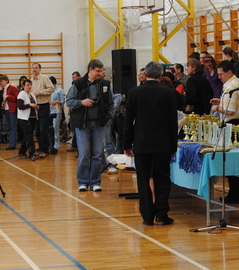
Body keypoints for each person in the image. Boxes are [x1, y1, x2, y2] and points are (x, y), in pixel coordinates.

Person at [122, 62, 180, 225]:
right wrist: (173, 145)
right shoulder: (169, 93)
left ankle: (147, 216)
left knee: (143, 179)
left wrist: (126, 144)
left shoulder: (134, 93)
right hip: (162, 143)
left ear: (145, 75)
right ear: (160, 75)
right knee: (163, 179)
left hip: (141, 143)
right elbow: (172, 122)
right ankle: (162, 213)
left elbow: (128, 121)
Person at [67, 59, 114, 192]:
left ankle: (95, 182)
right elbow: (69, 101)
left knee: (97, 154)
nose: (101, 73)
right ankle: (83, 182)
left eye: (101, 71)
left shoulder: (105, 84)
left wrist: (109, 116)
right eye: (98, 71)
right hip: (82, 124)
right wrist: (82, 102)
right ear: (90, 70)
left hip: (99, 124)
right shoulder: (78, 84)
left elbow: (110, 103)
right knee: (84, 154)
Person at [210, 60, 239, 203]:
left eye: (221, 74)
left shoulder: (230, 87)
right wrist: (220, 102)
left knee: (230, 160)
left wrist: (217, 108)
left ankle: (235, 193)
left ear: (229, 72)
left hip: (232, 125)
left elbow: (231, 111)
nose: (219, 77)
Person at [30, 63, 55, 155]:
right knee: (37, 129)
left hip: (44, 105)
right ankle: (41, 148)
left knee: (43, 129)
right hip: (35, 107)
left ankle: (45, 149)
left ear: (40, 69)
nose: (34, 69)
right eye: (33, 68)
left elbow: (51, 89)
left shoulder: (45, 78)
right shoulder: (31, 80)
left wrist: (40, 92)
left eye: (36, 68)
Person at [16, 79, 42, 160]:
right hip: (24, 118)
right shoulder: (21, 94)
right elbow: (20, 106)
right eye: (27, 85)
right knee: (29, 136)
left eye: (30, 85)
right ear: (23, 86)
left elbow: (33, 105)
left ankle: (22, 152)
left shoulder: (32, 94)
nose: (29, 86)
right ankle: (32, 154)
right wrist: (30, 105)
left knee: (27, 135)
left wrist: (36, 107)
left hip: (33, 118)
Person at [0, 74, 19, 150]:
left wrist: (9, 97)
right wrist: (3, 102)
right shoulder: (3, 89)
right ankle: (12, 143)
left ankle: (13, 144)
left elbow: (17, 98)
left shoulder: (12, 88)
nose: (1, 83)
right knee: (9, 127)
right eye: (0, 81)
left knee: (13, 127)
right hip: (6, 109)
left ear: (6, 80)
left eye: (2, 81)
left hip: (12, 109)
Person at [50, 76, 65, 152]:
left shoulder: (60, 90)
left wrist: (55, 102)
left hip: (56, 111)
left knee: (55, 128)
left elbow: (62, 101)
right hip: (49, 111)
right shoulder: (48, 90)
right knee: (49, 129)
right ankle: (50, 144)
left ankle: (56, 145)